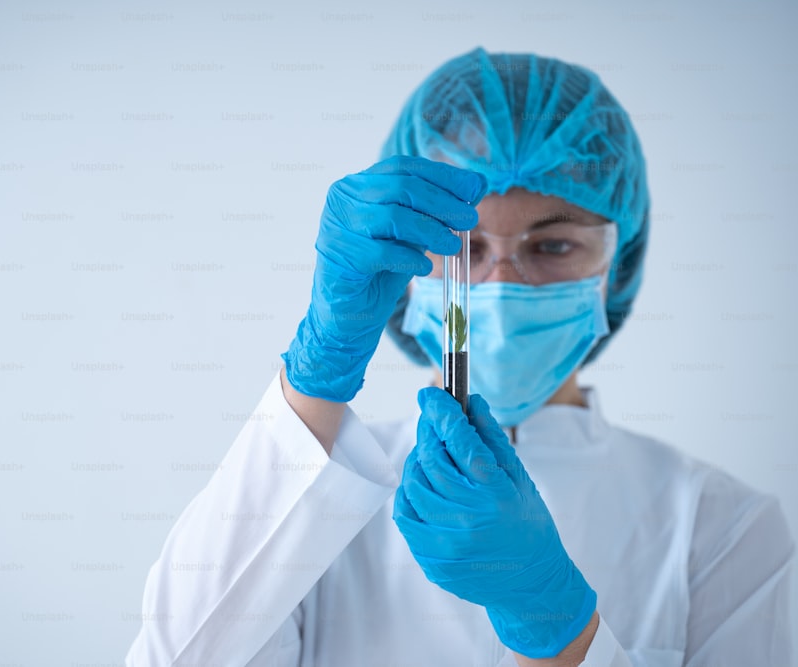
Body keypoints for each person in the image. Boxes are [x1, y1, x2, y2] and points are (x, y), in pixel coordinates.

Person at [125, 48, 794, 666]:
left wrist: (556, 625)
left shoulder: (720, 525)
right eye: (464, 250)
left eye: (552, 246)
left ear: (617, 264)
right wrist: (316, 374)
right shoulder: (313, 500)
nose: (499, 284)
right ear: (407, 266)